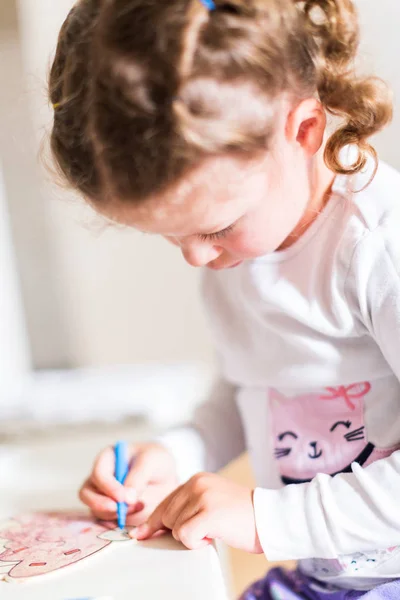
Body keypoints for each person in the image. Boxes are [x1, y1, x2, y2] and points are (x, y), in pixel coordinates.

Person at [48, 0, 400, 597]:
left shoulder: (376, 249)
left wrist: (268, 519)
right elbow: (252, 390)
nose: (195, 257)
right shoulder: (238, 252)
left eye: (215, 227)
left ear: (305, 130)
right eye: (170, 236)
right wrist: (178, 453)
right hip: (330, 577)